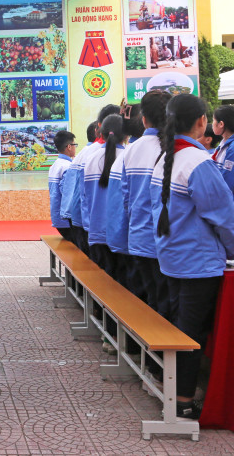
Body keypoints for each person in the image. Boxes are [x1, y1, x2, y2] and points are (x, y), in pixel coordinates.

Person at [152, 94, 234, 419]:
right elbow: (222, 215)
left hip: (172, 257)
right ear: (202, 122)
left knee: (179, 326)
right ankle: (183, 401)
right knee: (191, 333)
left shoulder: (167, 157)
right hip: (197, 262)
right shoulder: (198, 162)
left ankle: (171, 388)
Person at [112, 91, 172, 314]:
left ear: (144, 119)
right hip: (167, 241)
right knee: (167, 305)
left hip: (139, 238)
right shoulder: (177, 148)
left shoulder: (132, 150)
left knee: (150, 301)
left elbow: (126, 197)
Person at [60, 105, 119, 257]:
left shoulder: (88, 152)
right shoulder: (114, 153)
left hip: (84, 222)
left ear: (99, 127)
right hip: (95, 226)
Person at [80, 115, 125, 277]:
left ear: (101, 133)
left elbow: (84, 196)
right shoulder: (127, 157)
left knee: (102, 279)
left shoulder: (90, 159)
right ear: (125, 135)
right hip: (120, 234)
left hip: (96, 231)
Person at [48, 130, 76, 242]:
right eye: (74, 145)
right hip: (67, 220)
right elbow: (68, 195)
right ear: (69, 147)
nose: (75, 148)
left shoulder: (55, 165)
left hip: (57, 218)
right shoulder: (68, 167)